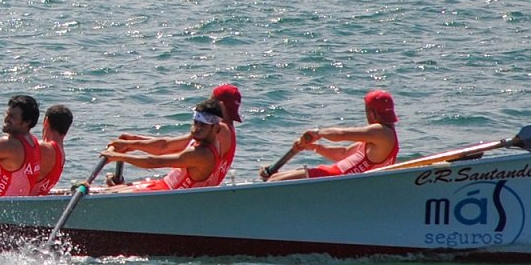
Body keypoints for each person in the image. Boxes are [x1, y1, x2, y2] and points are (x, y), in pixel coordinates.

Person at [108, 85, 239, 188]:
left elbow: (157, 159)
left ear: (220, 105)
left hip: (180, 196)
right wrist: (132, 142)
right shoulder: (218, 130)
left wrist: (120, 155)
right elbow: (166, 146)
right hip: (173, 188)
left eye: (211, 100)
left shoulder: (219, 130)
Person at [265, 90, 401, 181]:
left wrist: (318, 133)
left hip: (334, 179)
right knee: (274, 178)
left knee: (272, 181)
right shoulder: (379, 137)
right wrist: (314, 147)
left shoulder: (381, 132)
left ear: (372, 113)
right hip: (333, 175)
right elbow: (343, 153)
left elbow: (342, 134)